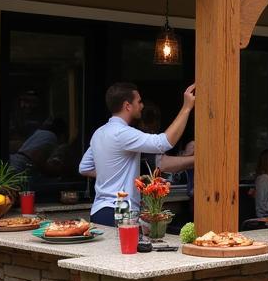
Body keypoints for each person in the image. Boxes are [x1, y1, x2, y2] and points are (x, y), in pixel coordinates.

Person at [78, 82, 195, 225]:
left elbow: (84, 167)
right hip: (120, 208)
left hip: (98, 211)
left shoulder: (100, 132)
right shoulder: (122, 133)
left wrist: (115, 173)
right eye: (139, 102)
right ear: (127, 106)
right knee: (132, 246)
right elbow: (163, 143)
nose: (142, 106)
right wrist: (186, 107)